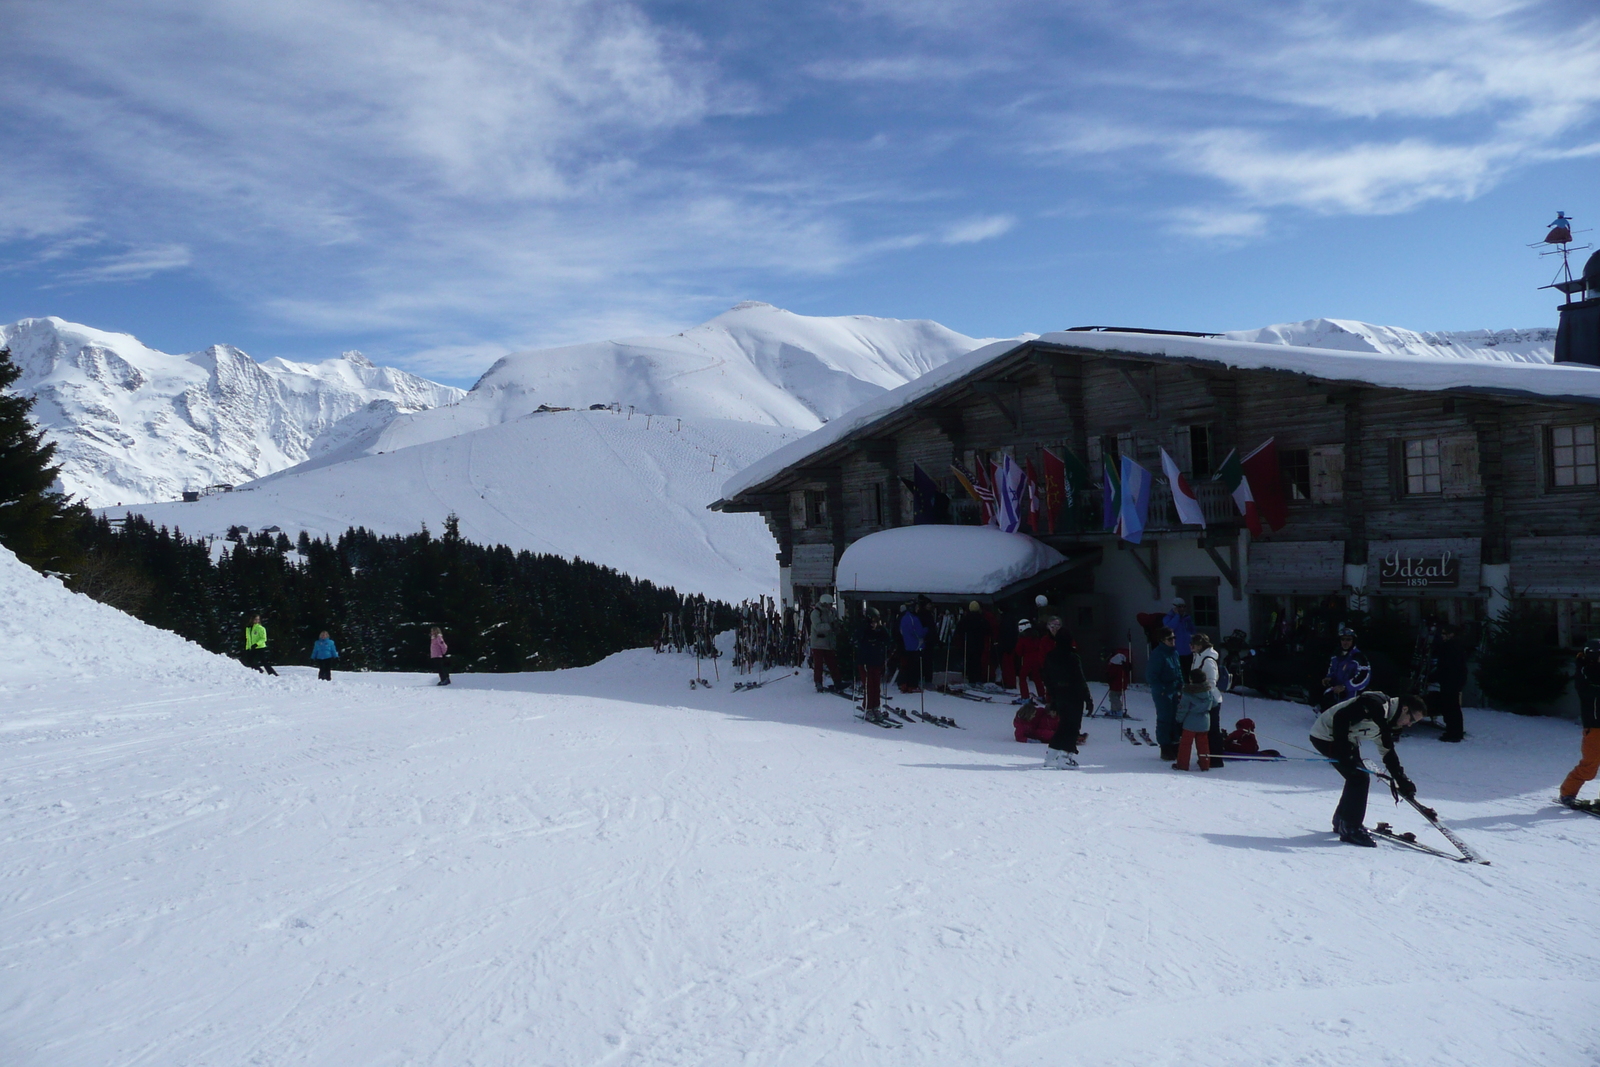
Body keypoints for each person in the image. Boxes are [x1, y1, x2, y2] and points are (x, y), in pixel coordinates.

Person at [1309, 691, 1428, 846]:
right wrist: (1343, 748)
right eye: (1411, 719)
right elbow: (1341, 717)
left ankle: (1343, 820)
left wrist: (1401, 779)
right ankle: (1350, 828)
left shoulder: (1386, 721)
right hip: (1325, 736)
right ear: (1405, 709)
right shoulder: (1377, 706)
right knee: (1359, 778)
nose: (1409, 724)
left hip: (1346, 739)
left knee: (1356, 777)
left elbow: (1388, 753)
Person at [1040, 617, 1094, 769]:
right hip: (1074, 695)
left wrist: (1052, 698)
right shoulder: (1072, 656)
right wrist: (1088, 698)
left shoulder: (1050, 657)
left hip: (1059, 695)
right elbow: (1080, 679)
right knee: (1073, 727)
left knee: (1063, 725)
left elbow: (1047, 679)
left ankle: (1051, 756)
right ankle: (1066, 756)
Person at [1559, 638, 1600, 807]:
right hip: (1594, 724)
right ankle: (1567, 793)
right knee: (1590, 766)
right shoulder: (1583, 670)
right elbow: (1589, 690)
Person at [1147, 627, 1184, 760]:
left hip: (1174, 690)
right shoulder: (1158, 654)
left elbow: (1178, 670)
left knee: (1176, 718)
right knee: (1165, 719)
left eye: (1174, 638)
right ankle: (1165, 746)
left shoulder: (1174, 653)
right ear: (1163, 640)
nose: (1173, 641)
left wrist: (1181, 685)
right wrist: (1162, 690)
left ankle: (1175, 743)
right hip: (1163, 692)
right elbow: (1152, 676)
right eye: (1170, 639)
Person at [1190, 633, 1226, 767]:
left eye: (1193, 644)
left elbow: (1211, 682)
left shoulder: (1208, 660)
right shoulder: (1198, 656)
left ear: (1200, 645)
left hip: (1211, 699)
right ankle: (1208, 757)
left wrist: (1197, 691)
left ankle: (1216, 759)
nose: (1191, 647)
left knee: (1213, 730)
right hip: (1202, 698)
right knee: (1206, 730)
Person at [1173, 668, 1218, 771]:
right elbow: (1214, 703)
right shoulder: (1209, 691)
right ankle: (1205, 764)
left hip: (1190, 723)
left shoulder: (1188, 693)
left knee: (1185, 745)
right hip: (1205, 722)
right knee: (1203, 745)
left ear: (1191, 680)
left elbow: (1183, 709)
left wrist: (1178, 720)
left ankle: (1182, 765)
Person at [1431, 623, 1469, 742]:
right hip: (1453, 680)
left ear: (1451, 634)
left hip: (1450, 680)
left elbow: (1446, 666)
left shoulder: (1450, 647)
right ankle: (1454, 731)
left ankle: (1453, 733)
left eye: (1444, 634)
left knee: (1450, 707)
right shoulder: (1455, 646)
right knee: (1453, 706)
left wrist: (1435, 676)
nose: (1442, 636)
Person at [1320, 627, 1372, 710]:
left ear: (1353, 641)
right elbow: (1332, 669)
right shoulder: (1336, 656)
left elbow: (1364, 677)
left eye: (1348, 639)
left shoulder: (1359, 657)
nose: (1345, 642)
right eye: (1343, 639)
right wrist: (1329, 678)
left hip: (1353, 697)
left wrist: (1345, 687)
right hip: (1337, 695)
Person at [854, 608, 891, 712]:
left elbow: (888, 640)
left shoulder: (880, 630)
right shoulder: (863, 629)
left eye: (876, 621)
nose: (874, 624)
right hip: (865, 662)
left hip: (876, 661)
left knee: (876, 686)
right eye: (873, 621)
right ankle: (868, 708)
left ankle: (876, 706)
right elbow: (856, 642)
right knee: (869, 686)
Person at [808, 595, 842, 692]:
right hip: (818, 643)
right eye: (830, 604)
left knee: (832, 663)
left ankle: (837, 682)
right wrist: (830, 626)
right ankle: (818, 682)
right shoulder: (816, 613)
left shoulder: (830, 612)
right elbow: (818, 627)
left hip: (828, 643)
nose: (831, 606)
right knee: (818, 665)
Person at [1013, 619, 1052, 704]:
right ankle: (1042, 695)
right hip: (1037, 658)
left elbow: (1019, 651)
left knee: (1022, 677)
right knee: (1037, 677)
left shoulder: (1022, 637)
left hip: (1027, 659)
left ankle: (1025, 697)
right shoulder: (1036, 635)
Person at [955, 601, 991, 687]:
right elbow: (988, 630)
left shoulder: (966, 619)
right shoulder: (982, 619)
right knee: (978, 661)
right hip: (979, 643)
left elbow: (959, 629)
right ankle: (978, 678)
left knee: (970, 661)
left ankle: (971, 679)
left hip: (969, 644)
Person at [898, 603, 926, 693]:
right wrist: (926, 630)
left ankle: (904, 684)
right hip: (915, 645)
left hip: (906, 645)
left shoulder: (903, 618)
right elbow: (919, 633)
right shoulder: (914, 619)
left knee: (906, 666)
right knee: (914, 667)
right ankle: (912, 685)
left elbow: (901, 631)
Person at [1164, 599, 1196, 674]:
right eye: (1179, 607)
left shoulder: (1187, 618)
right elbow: (1170, 628)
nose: (1182, 609)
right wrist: (1177, 616)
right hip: (1176, 651)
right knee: (1179, 673)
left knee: (1189, 672)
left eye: (1184, 607)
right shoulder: (1168, 618)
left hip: (1188, 651)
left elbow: (1193, 630)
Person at [1104, 646, 1131, 718]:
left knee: (1113, 697)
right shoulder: (1122, 665)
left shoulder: (1114, 665)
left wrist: (1109, 679)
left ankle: (1118, 710)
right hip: (1121, 684)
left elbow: (1111, 674)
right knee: (1115, 696)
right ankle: (1114, 710)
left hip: (1116, 684)